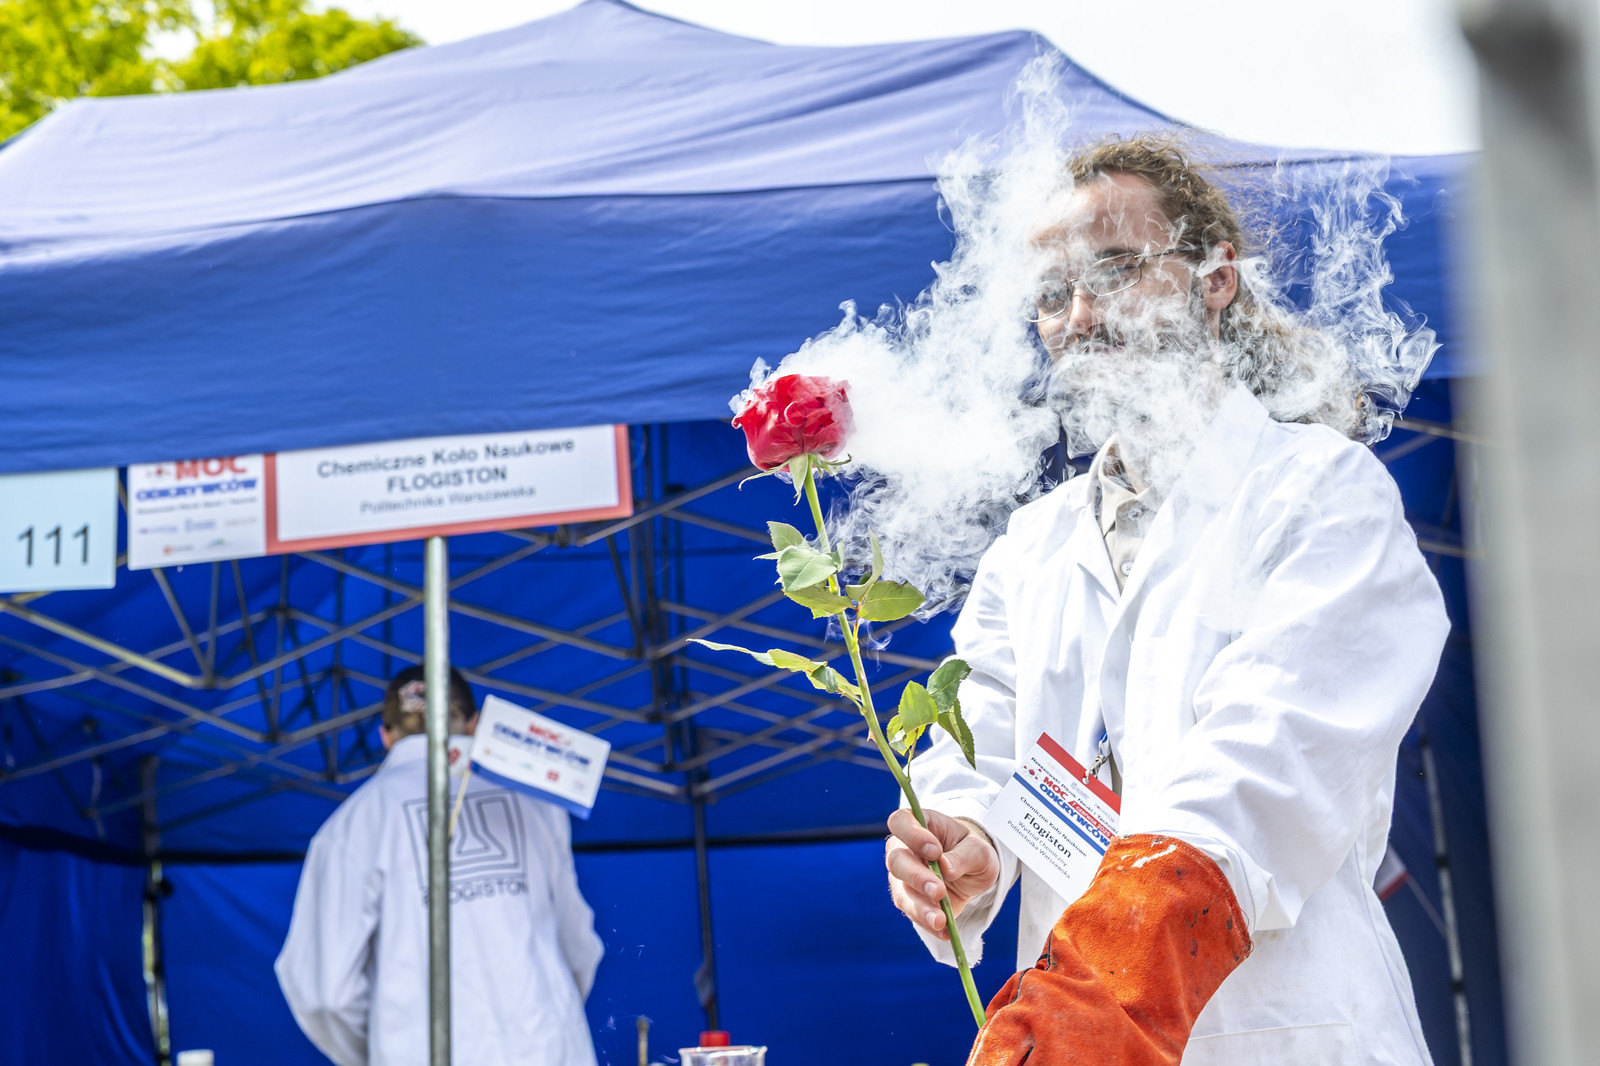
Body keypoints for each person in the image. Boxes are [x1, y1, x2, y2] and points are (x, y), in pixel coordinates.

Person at [885, 136, 1449, 1065]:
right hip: (1078, 1027)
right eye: (1052, 293)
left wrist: (1107, 980)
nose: (1080, 314)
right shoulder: (1031, 548)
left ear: (1216, 277)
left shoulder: (1320, 492)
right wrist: (964, 840)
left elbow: (1267, 763)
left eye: (1115, 269)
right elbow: (977, 744)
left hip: (1286, 1034)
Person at [276, 665, 604, 1066]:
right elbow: (579, 946)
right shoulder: (537, 802)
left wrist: (389, 1049)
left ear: (385, 735)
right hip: (550, 1052)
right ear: (475, 723)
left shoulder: (352, 825)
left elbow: (325, 994)